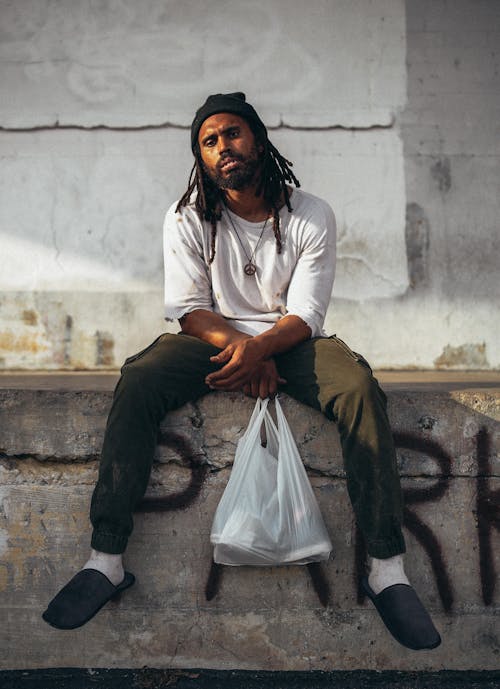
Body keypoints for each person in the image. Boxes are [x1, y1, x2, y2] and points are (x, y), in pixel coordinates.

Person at [42, 92, 441, 651]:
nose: (222, 147)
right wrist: (244, 352)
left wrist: (264, 352)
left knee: (356, 386)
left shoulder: (311, 214)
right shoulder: (186, 216)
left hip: (292, 341)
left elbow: (306, 314)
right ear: (201, 158)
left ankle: (385, 569)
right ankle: (105, 558)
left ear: (257, 138)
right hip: (213, 340)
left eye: (232, 134)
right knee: (139, 379)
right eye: (209, 142)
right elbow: (189, 309)